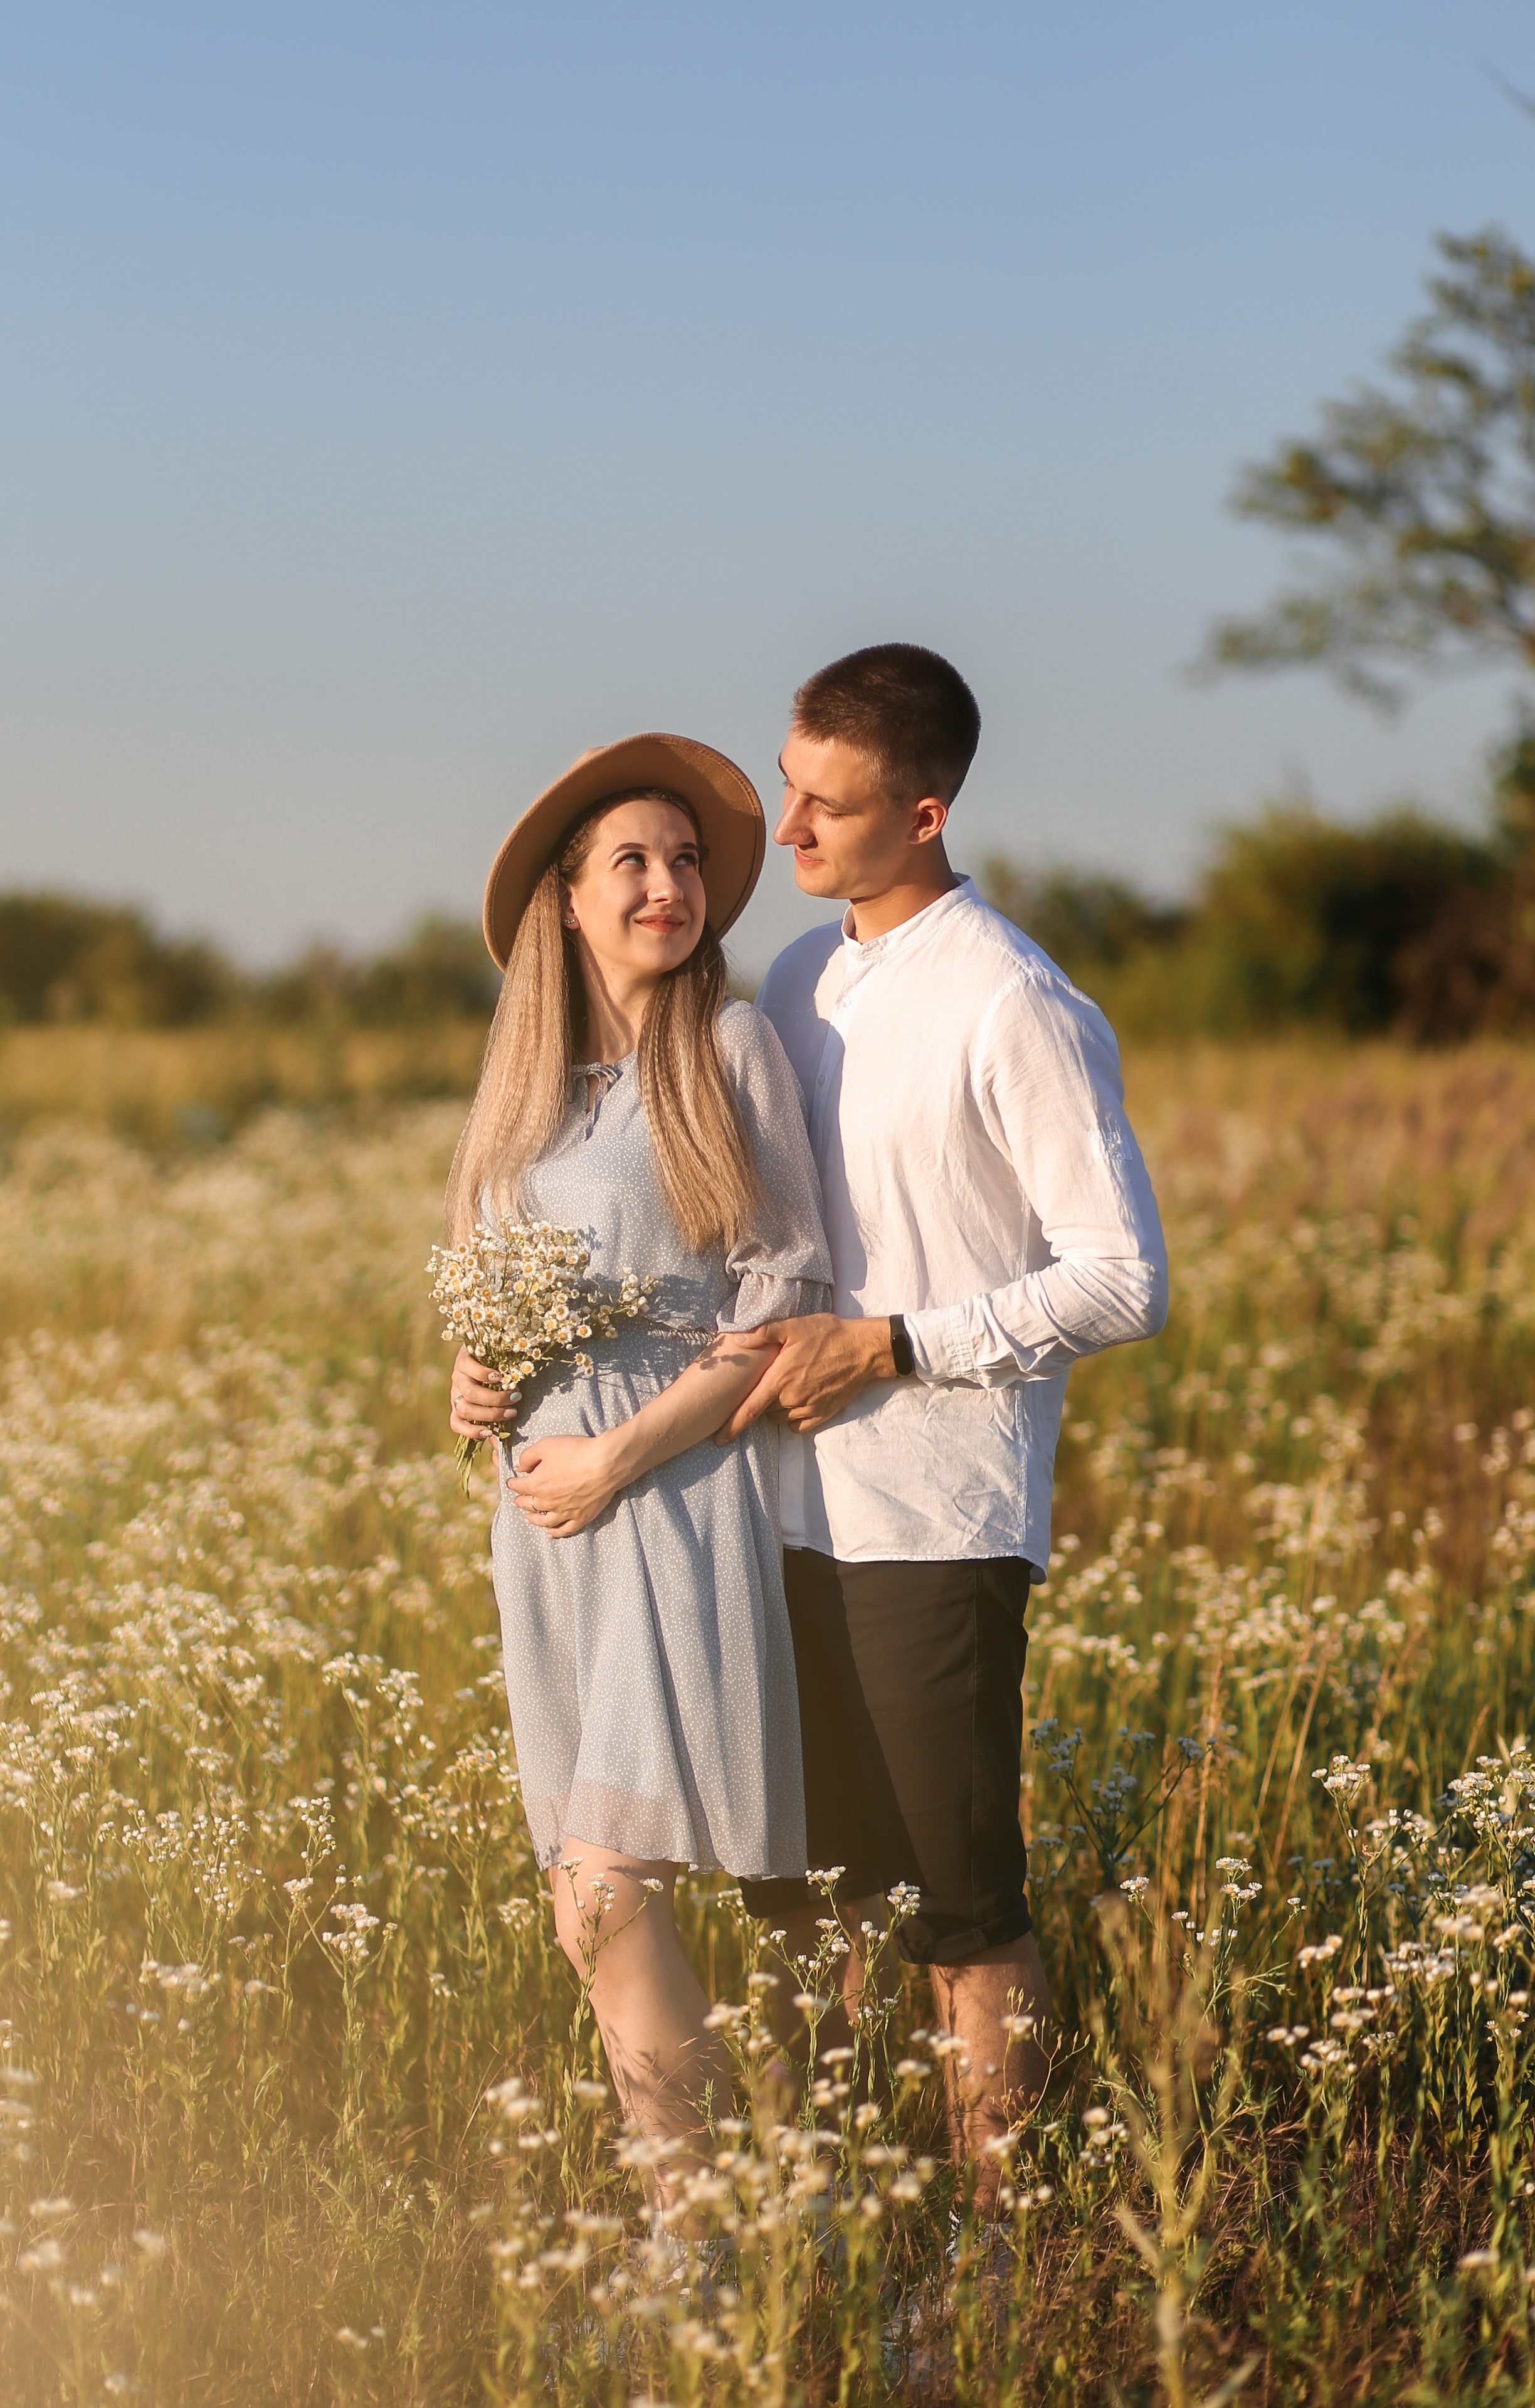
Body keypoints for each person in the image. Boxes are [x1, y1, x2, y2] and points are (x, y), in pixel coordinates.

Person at [722, 643, 1168, 2216]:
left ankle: (996, 2247)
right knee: (810, 1886)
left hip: (935, 1512)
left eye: (825, 806)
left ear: (922, 812)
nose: (786, 830)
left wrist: (895, 1343)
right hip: (781, 1505)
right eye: (786, 786)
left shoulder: (1014, 998)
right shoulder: (791, 977)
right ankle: (833, 2215)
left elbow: (1120, 1278)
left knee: (960, 1904)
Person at [443, 731, 830, 2190]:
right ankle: (728, 2210)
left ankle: (698, 2225)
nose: (669, 886)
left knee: (605, 1892)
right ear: (565, 897)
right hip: (544, 1516)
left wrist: (617, 1456)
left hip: (667, 1487)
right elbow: (482, 1288)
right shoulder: (523, 1082)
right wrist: (472, 1383)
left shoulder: (725, 1047)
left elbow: (781, 1289)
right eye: (635, 862)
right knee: (579, 1899)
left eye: (684, 863)